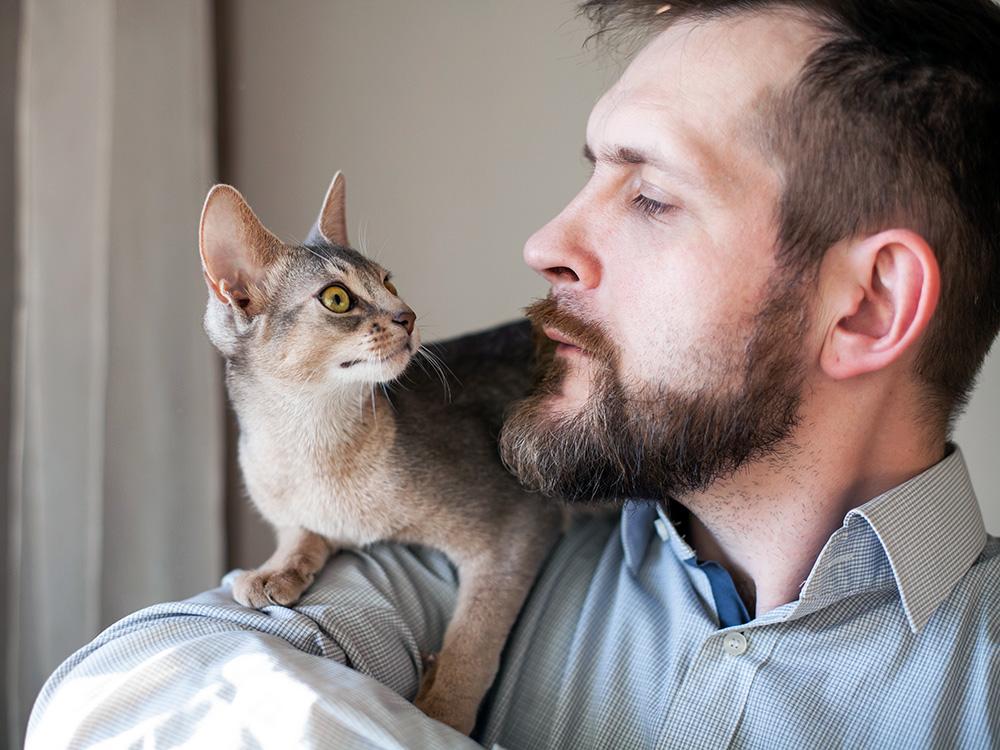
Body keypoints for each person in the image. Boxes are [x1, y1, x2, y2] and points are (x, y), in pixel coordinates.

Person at [27, 1, 999, 748]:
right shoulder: (436, 558)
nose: (545, 242)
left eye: (650, 196)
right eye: (589, 175)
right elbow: (120, 699)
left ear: (868, 304)